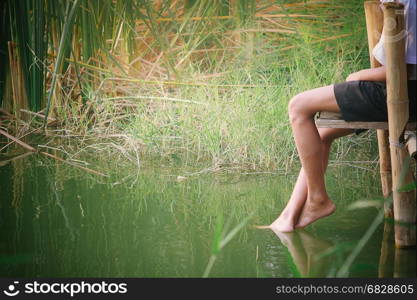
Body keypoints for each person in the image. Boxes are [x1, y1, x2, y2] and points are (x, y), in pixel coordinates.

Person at [263, 0, 416, 232]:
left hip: (404, 96)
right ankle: (288, 216)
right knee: (321, 133)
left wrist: (359, 75)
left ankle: (318, 200)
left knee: (298, 106)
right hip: (403, 91)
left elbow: (402, 70)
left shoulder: (407, 4)